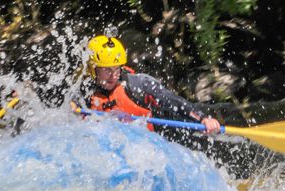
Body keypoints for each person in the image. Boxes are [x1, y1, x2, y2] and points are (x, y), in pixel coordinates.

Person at [79, 35, 221, 136]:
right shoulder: (84, 93)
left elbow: (174, 101)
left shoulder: (138, 85)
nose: (113, 75)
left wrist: (203, 118)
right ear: (93, 69)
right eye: (106, 70)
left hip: (155, 142)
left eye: (117, 69)